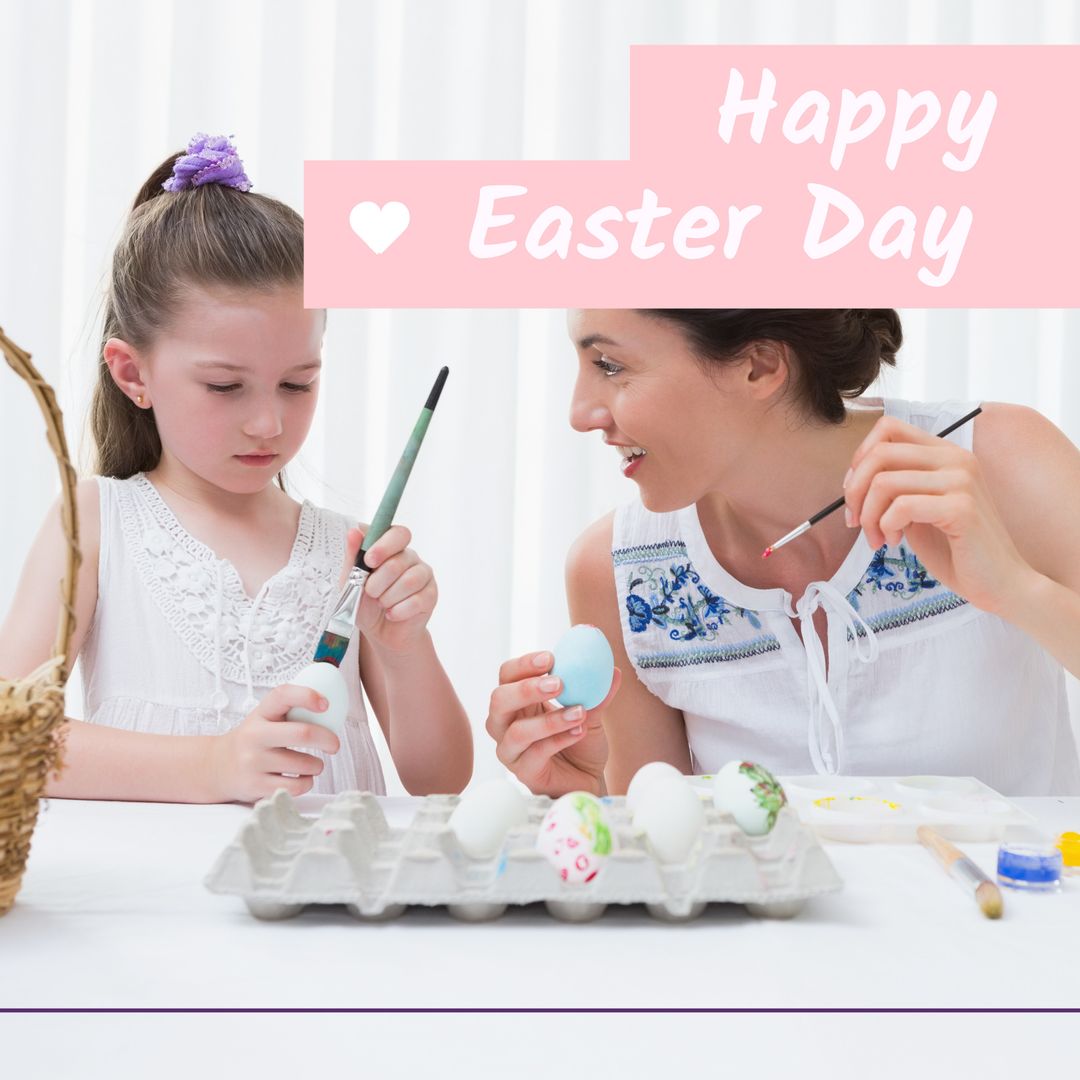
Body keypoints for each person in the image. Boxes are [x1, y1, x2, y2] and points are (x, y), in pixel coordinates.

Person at [0, 134, 472, 803]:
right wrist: (215, 765)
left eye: (298, 384)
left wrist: (402, 645)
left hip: (325, 899)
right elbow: (11, 738)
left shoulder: (348, 550)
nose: (267, 424)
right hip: (159, 902)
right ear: (133, 374)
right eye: (226, 387)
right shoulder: (100, 521)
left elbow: (440, 779)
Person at [487, 309, 1080, 797]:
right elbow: (665, 854)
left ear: (759, 366)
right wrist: (583, 795)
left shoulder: (996, 463)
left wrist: (1013, 589)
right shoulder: (619, 570)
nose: (579, 414)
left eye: (610, 366)